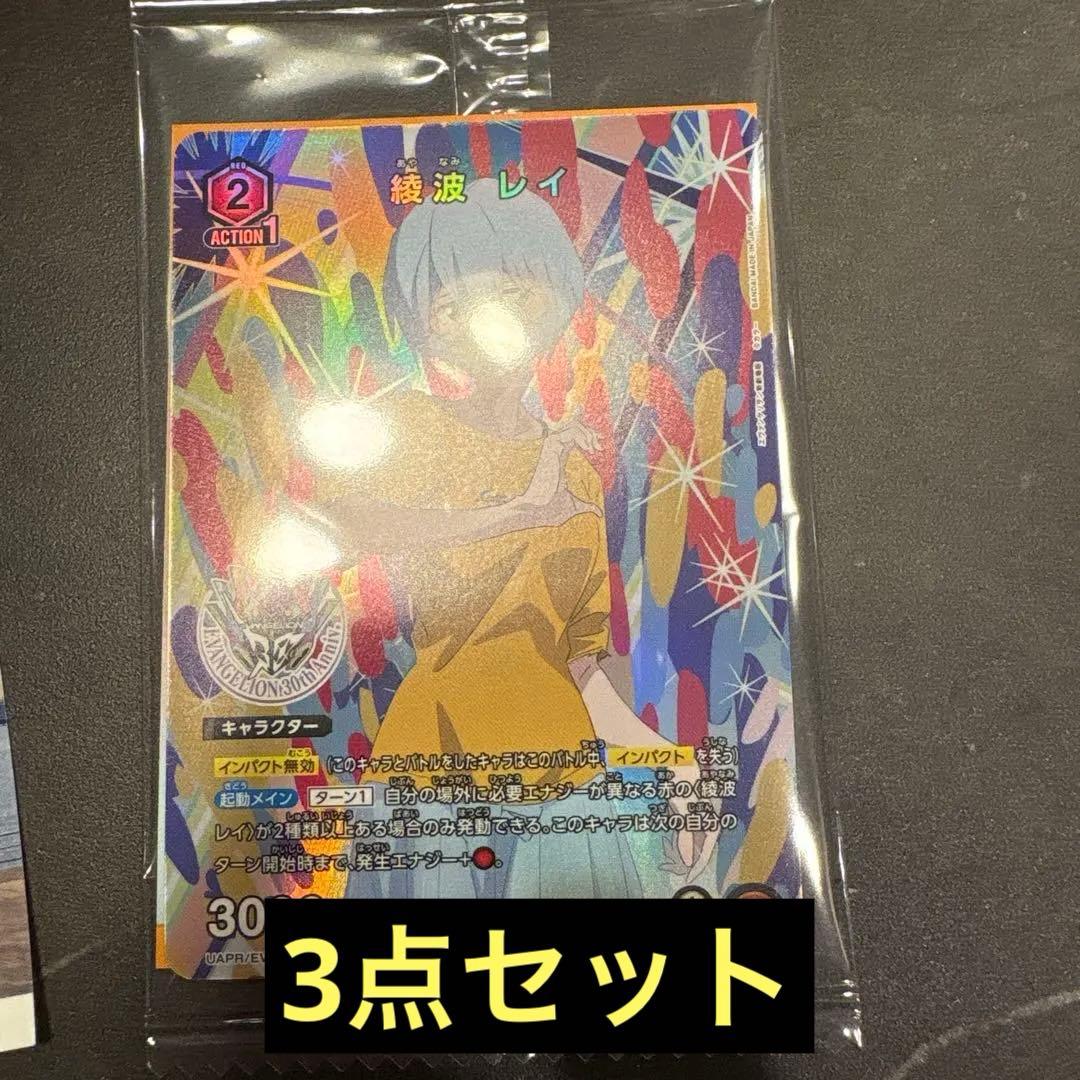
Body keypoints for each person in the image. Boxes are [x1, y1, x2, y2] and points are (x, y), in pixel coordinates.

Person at [316, 178, 716, 897]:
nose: (483, 321)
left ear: (553, 299)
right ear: (428, 325)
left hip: (561, 790)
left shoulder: (576, 471)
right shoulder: (412, 429)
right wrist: (517, 513)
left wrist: (674, 763)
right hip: (430, 779)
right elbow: (349, 527)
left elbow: (579, 668)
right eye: (450, 303)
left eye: (510, 292)